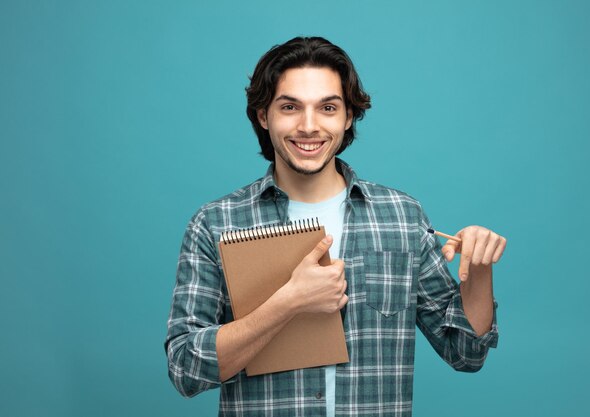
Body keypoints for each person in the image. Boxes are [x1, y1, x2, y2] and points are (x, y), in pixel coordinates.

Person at [165, 36, 507, 417]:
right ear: (264, 116)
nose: (308, 126)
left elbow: (466, 353)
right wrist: (288, 303)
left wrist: (478, 270)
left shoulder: (402, 217)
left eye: (327, 107)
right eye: (290, 107)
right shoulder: (215, 224)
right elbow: (185, 369)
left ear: (348, 117)